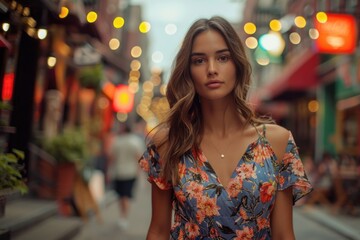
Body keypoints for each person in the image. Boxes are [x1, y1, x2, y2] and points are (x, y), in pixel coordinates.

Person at [139, 16, 312, 239]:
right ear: (188, 70)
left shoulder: (277, 142)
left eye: (222, 58)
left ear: (237, 65)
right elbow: (158, 231)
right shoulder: (169, 142)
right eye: (199, 60)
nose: (211, 69)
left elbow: (283, 234)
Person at [108, 122, 144, 229]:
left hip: (119, 172)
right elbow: (139, 158)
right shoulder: (136, 141)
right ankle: (124, 217)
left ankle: (122, 216)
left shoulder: (117, 141)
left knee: (121, 196)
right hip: (131, 172)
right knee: (126, 196)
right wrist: (138, 171)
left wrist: (109, 171)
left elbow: (111, 157)